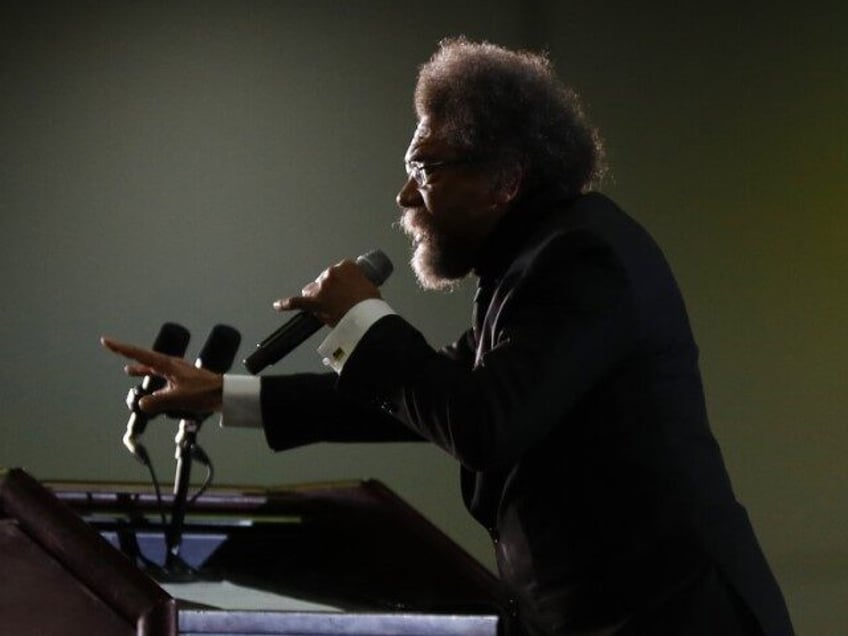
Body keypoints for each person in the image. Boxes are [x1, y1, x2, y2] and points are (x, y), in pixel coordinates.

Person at [103, 37, 794, 635]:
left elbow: (482, 423)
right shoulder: (531, 264)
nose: (405, 198)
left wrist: (363, 319)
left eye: (424, 169)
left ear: (505, 180)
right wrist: (226, 395)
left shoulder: (584, 259)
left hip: (672, 621)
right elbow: (424, 397)